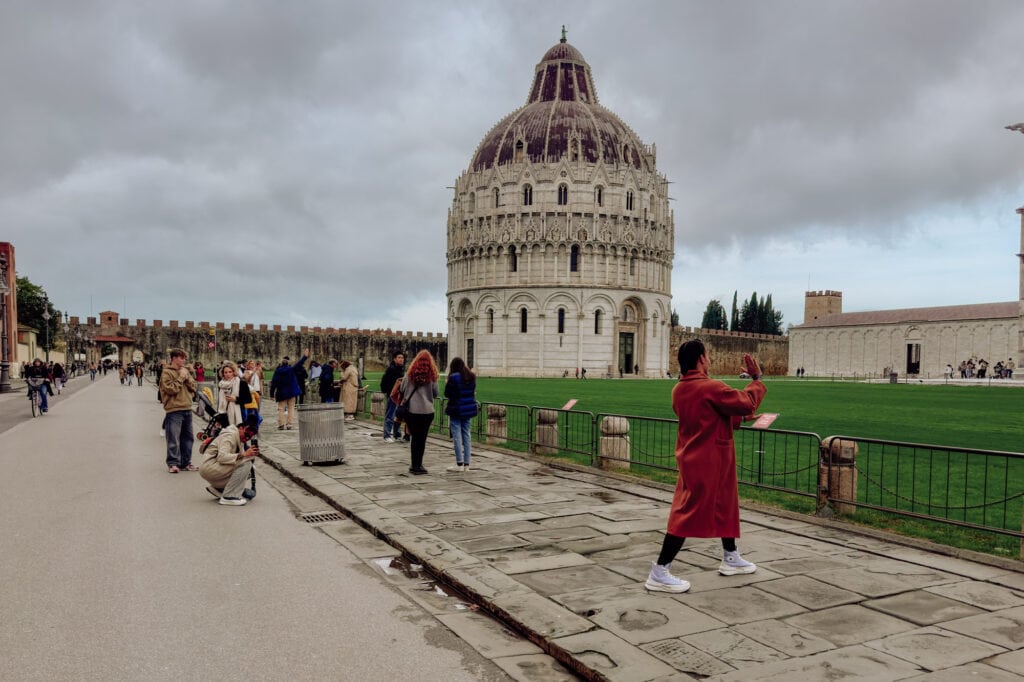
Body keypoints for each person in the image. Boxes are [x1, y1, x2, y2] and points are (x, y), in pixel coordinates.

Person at [645, 339, 767, 594]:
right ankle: (660, 570)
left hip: (701, 456)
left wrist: (739, 417)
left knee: (724, 504)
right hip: (708, 459)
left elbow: (706, 415)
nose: (709, 360)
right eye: (708, 356)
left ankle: (730, 555)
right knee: (687, 513)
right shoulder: (711, 387)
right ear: (701, 358)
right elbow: (746, 401)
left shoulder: (680, 389)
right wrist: (756, 378)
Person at [199, 413, 260, 506]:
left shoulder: (240, 438)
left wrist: (251, 455)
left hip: (214, 468)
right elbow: (222, 457)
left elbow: (240, 459)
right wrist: (244, 454)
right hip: (210, 467)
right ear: (241, 428)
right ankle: (229, 496)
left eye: (249, 437)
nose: (247, 438)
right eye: (246, 434)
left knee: (250, 467)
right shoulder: (229, 436)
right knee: (246, 464)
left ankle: (219, 489)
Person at [396, 350, 439, 475]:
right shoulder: (432, 376)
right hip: (427, 411)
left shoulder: (409, 375)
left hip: (412, 411)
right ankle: (419, 464)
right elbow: (436, 393)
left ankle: (414, 464)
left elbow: (402, 389)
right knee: (422, 439)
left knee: (414, 438)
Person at [160, 348, 198, 473]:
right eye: (182, 358)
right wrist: (181, 378)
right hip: (174, 409)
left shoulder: (185, 371)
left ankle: (185, 462)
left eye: (185, 358)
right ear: (174, 358)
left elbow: (194, 387)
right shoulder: (167, 373)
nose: (184, 360)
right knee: (173, 438)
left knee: (188, 438)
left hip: (187, 408)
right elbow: (170, 389)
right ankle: (173, 463)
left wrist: (186, 377)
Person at [444, 357, 478, 472]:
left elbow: (448, 393)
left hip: (456, 409)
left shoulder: (453, 377)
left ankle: (459, 463)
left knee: (457, 436)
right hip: (468, 409)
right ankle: (467, 464)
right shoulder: (471, 377)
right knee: (467, 436)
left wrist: (447, 383)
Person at [269, 350, 309, 430]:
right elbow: (299, 364)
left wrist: (271, 394)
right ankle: (289, 424)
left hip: (281, 392)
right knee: (291, 408)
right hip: (291, 391)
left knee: (281, 408)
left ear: (281, 364)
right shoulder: (291, 369)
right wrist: (305, 357)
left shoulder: (278, 371)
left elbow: (274, 382)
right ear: (288, 363)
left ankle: (281, 424)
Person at [380, 351, 406, 443]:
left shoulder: (400, 369)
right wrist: (389, 391)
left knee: (398, 415)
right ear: (395, 359)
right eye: (399, 357)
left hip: (400, 396)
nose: (401, 359)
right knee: (390, 415)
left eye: (402, 358)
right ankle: (387, 435)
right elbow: (385, 382)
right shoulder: (391, 369)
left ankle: (397, 434)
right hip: (393, 395)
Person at [216, 361, 243, 428]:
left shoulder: (240, 383)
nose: (228, 374)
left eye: (230, 372)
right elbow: (220, 402)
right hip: (224, 414)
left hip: (237, 413)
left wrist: (236, 399)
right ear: (223, 373)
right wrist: (218, 419)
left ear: (234, 372)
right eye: (226, 372)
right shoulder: (221, 384)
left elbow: (248, 399)